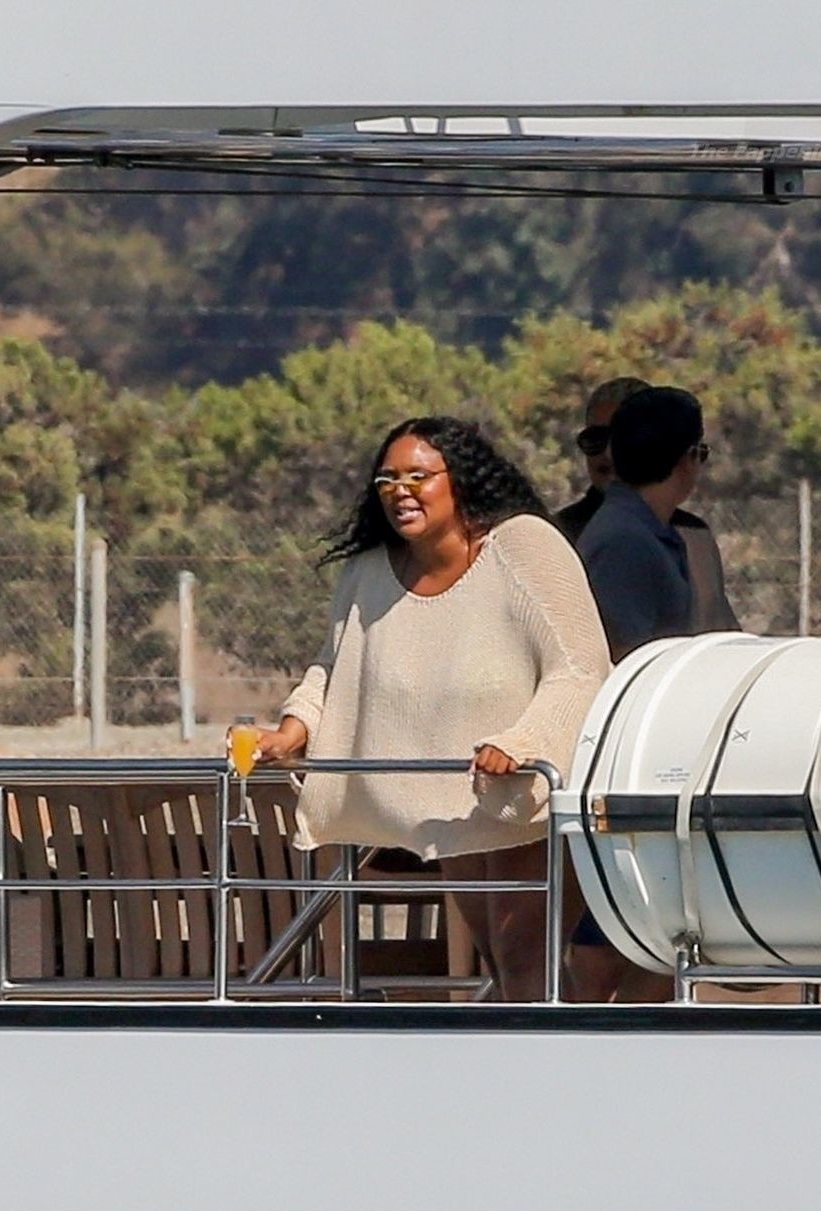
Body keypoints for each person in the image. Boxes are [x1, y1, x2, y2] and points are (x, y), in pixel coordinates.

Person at [256, 417, 610, 1002]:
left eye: (418, 476)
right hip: (454, 799)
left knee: (527, 954)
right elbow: (335, 667)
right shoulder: (368, 570)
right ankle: (552, 1054)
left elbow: (580, 667)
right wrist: (292, 731)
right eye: (387, 479)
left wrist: (523, 743)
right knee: (504, 960)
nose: (400, 491)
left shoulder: (525, 545)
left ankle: (555, 1058)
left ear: (460, 479)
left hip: (536, 791)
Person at [568, 386, 717, 1001]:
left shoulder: (644, 531)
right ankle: (582, 1026)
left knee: (665, 922)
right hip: (631, 760)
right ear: (687, 460)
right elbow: (628, 657)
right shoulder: (625, 540)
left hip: (650, 754)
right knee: (632, 915)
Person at [557, 378, 739, 633]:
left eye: (627, 438)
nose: (609, 452)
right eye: (596, 439)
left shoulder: (695, 536)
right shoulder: (583, 536)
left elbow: (719, 629)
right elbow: (624, 648)